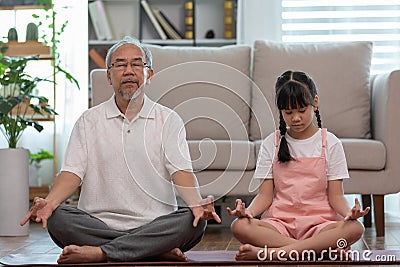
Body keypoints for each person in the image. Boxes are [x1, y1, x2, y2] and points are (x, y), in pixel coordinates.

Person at [20, 36, 221, 264]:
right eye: (120, 65)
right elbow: (71, 173)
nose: (128, 71)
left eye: (137, 64)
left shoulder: (168, 120)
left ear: (149, 74)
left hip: (155, 223)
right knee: (57, 218)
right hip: (98, 224)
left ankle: (102, 252)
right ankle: (152, 250)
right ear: (108, 75)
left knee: (193, 221)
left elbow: (181, 171)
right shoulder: (88, 121)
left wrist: (196, 204)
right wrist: (50, 202)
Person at [227, 70, 370, 261]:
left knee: (355, 228)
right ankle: (317, 251)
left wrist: (349, 214)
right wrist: (248, 213)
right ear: (280, 110)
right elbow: (265, 195)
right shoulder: (272, 143)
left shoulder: (331, 143)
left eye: (302, 110)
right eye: (288, 112)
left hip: (320, 224)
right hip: (280, 224)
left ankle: (274, 253)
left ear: (315, 102)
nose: (295, 118)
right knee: (239, 225)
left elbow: (336, 196)